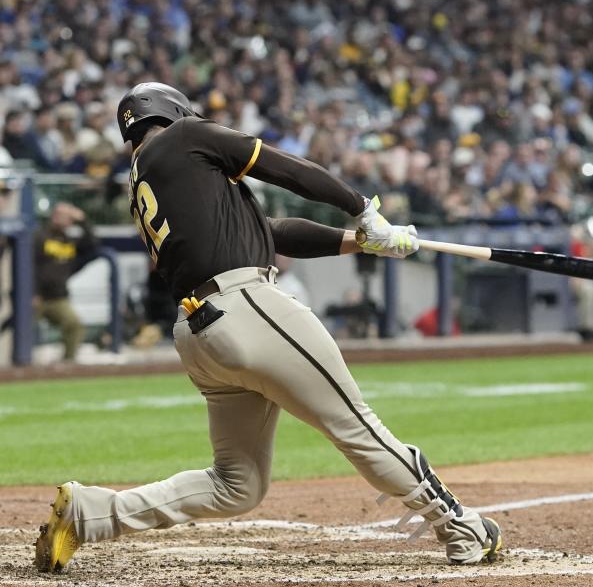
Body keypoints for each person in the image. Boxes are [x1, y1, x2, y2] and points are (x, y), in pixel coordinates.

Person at [34, 83, 502, 573]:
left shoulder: (147, 177)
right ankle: (462, 527)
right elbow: (287, 168)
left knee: (236, 485)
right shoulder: (189, 135)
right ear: (176, 112)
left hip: (199, 335)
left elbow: (269, 231)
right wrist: (364, 209)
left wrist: (363, 242)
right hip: (245, 306)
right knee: (357, 424)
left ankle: (90, 513)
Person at [33, 202, 98, 361]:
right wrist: (32, 293)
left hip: (57, 298)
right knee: (21, 329)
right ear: (53, 215)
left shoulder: (68, 240)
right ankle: (20, 365)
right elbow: (29, 266)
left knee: (74, 324)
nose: (64, 219)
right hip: (36, 297)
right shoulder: (39, 235)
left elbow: (93, 244)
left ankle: (68, 364)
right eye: (61, 214)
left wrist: (82, 220)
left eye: (68, 216)